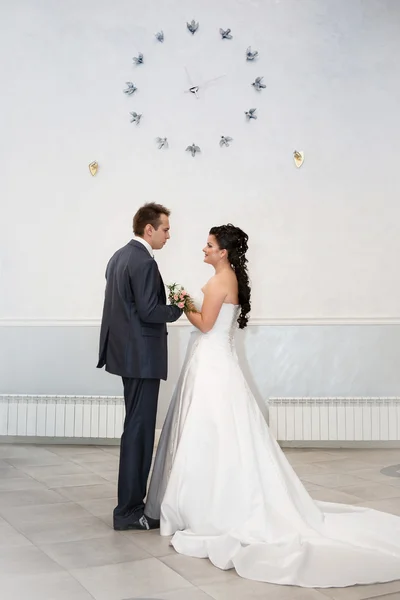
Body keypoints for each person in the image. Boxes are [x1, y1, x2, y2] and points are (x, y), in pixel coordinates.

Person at [145, 223, 400, 588]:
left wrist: (183, 303)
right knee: (218, 431)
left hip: (213, 363)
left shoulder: (220, 281)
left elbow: (204, 325)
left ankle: (209, 505)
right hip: (215, 361)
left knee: (210, 431)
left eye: (209, 245)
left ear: (224, 252)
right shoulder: (226, 277)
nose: (203, 249)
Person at [97, 202, 183, 531]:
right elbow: (149, 311)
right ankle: (130, 511)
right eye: (165, 229)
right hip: (142, 358)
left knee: (134, 429)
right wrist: (176, 308)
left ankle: (129, 506)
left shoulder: (118, 257)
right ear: (149, 229)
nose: (168, 235)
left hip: (125, 356)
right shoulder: (144, 261)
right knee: (139, 433)